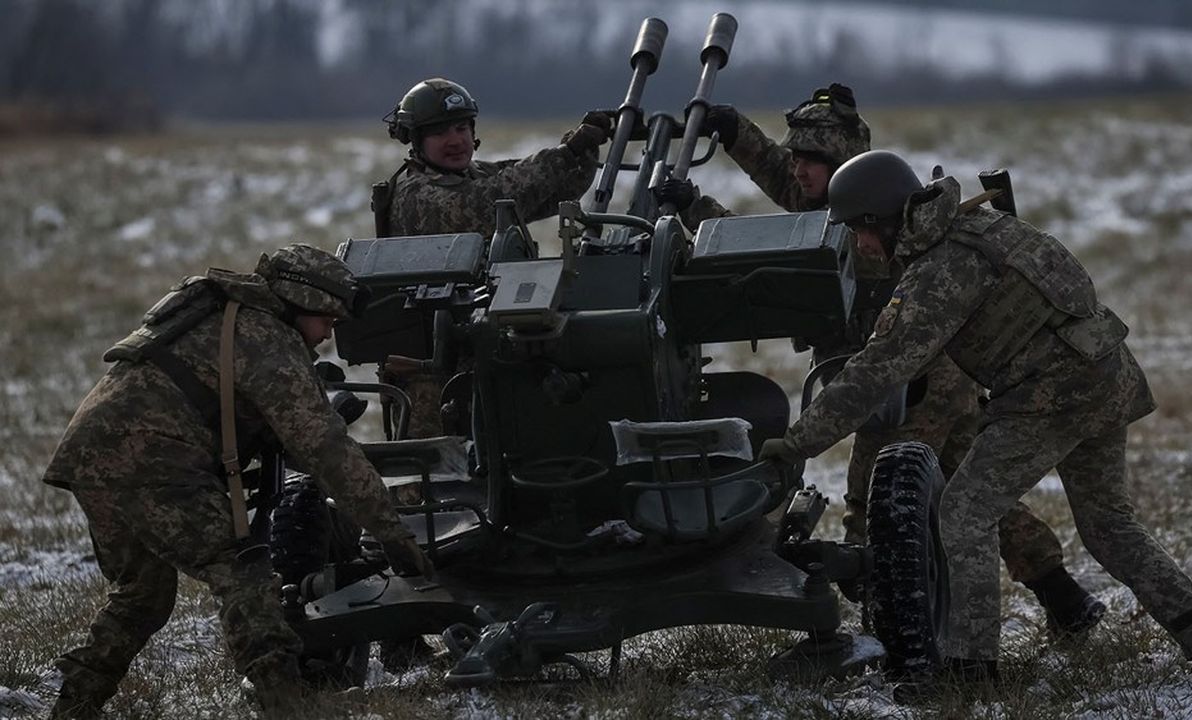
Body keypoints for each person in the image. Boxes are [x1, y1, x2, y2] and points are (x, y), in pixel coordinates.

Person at [759, 150, 1192, 685]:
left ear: (880, 219)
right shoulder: (977, 227)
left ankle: (972, 670)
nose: (859, 245)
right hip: (1106, 375)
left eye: (858, 229)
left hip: (1052, 396)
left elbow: (875, 371)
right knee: (1108, 525)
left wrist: (796, 444)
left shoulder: (940, 271)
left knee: (964, 512)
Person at [657, 86, 1102, 636]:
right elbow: (787, 179)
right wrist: (736, 132)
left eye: (810, 161)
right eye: (795, 157)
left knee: (874, 510)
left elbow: (771, 260)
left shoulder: (860, 234)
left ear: (843, 168)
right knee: (965, 492)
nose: (796, 170)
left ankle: (889, 630)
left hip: (908, 386)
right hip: (928, 379)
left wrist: (697, 209)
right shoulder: (856, 206)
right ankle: (1065, 599)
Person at [42, 244, 431, 718]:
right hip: (152, 458)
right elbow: (326, 449)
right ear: (299, 303)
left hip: (91, 454)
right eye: (327, 320)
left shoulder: (228, 316)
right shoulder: (266, 339)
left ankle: (72, 707)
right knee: (242, 570)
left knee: (142, 598)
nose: (329, 334)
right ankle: (286, 705)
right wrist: (391, 533)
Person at [372, 76, 611, 439]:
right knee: (436, 481)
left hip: (485, 351)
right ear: (416, 141)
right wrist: (563, 155)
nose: (455, 140)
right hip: (433, 377)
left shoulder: (471, 175)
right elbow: (488, 202)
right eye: (440, 133)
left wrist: (582, 150)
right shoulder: (417, 194)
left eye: (461, 127)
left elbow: (553, 188)